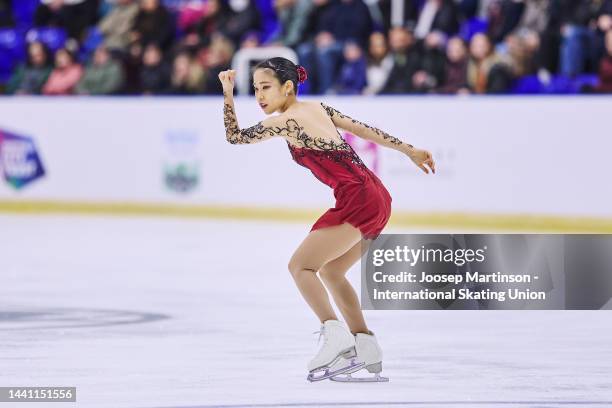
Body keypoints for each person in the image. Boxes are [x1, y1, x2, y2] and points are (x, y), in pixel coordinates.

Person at [218, 57, 435, 382]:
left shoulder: (285, 121)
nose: (259, 95)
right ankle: (365, 344)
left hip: (357, 199)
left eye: (265, 87)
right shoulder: (318, 108)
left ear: (287, 87)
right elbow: (364, 129)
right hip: (377, 196)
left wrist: (227, 92)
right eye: (255, 89)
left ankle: (335, 335)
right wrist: (409, 149)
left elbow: (235, 136)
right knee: (332, 272)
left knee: (300, 266)